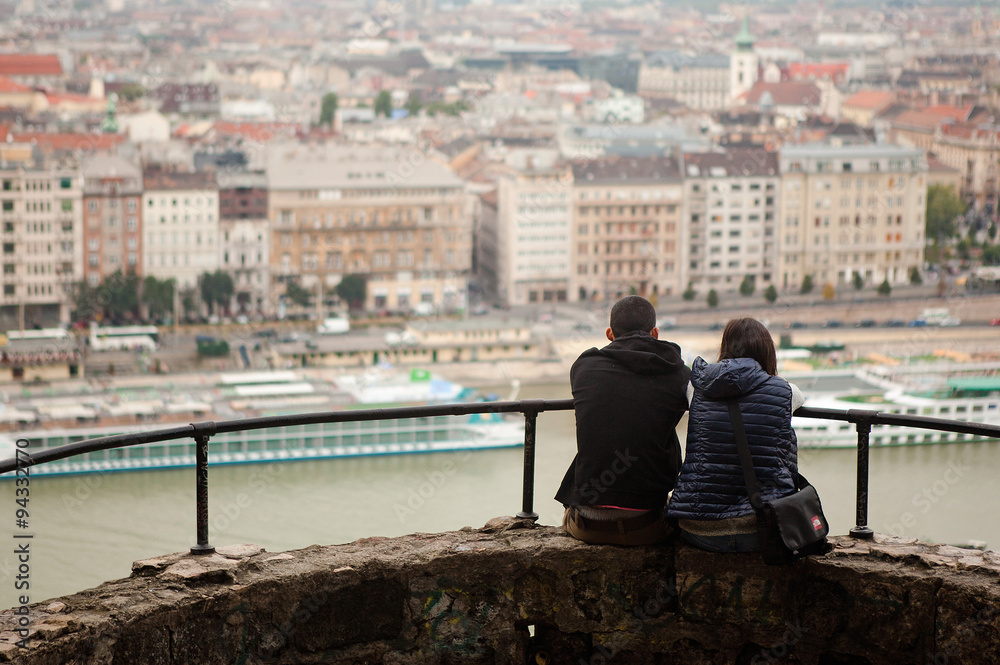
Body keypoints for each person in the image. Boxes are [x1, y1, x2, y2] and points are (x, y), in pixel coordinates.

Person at [556, 295, 690, 546]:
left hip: (587, 525)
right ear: (655, 333)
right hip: (648, 525)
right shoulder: (679, 374)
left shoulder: (584, 367)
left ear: (609, 333)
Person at [668, 317, 805, 553]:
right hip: (760, 528)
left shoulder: (696, 388)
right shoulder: (787, 392)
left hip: (699, 528)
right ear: (767, 351)